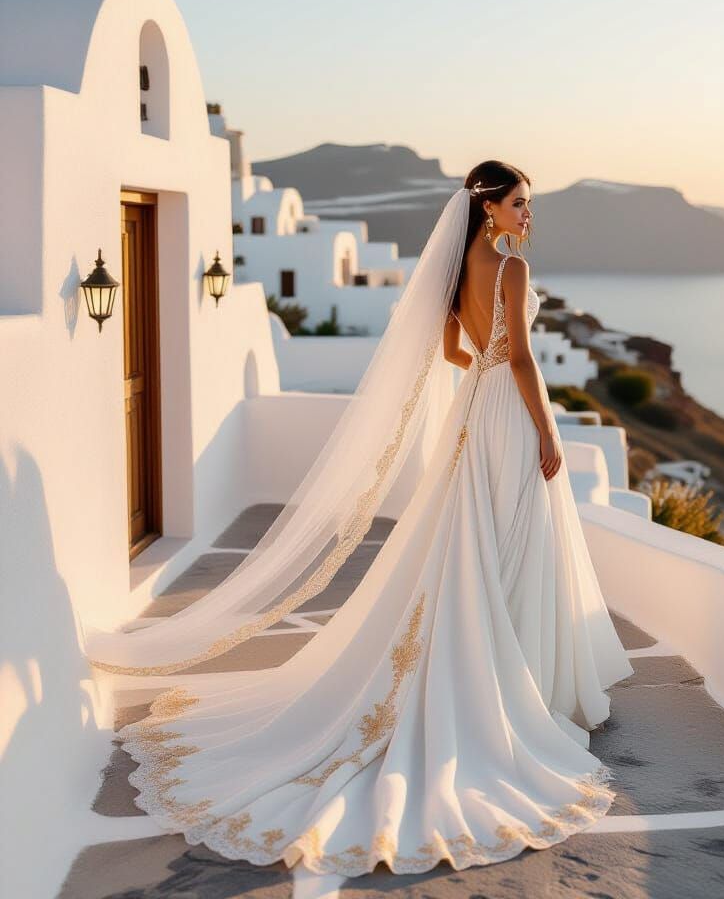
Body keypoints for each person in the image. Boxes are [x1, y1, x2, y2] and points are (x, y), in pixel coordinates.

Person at [85, 160, 634, 877]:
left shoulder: (457, 268)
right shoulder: (511, 269)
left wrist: (484, 362)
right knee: (515, 542)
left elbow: (448, 350)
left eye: (528, 205)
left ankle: (498, 674)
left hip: (475, 409)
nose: (528, 216)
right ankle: (522, 687)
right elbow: (526, 361)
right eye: (520, 203)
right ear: (490, 208)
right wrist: (550, 430)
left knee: (477, 544)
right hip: (509, 413)